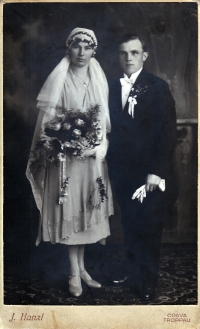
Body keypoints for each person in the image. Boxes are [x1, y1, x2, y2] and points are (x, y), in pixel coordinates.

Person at [26, 28, 113, 297]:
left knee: (87, 212)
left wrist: (99, 145)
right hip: (66, 160)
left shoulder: (98, 75)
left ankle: (83, 268)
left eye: (87, 47)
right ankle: (73, 272)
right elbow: (47, 124)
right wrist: (64, 141)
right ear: (69, 48)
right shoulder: (60, 78)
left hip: (91, 160)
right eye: (77, 46)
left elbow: (103, 121)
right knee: (71, 211)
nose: (82, 52)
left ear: (94, 50)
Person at [108, 34, 177, 301]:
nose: (129, 58)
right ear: (118, 56)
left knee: (148, 227)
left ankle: (147, 283)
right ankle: (133, 272)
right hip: (122, 171)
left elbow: (168, 133)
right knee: (131, 224)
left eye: (134, 53)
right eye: (124, 53)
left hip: (149, 171)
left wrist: (156, 171)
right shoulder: (113, 87)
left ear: (144, 55)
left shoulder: (158, 87)